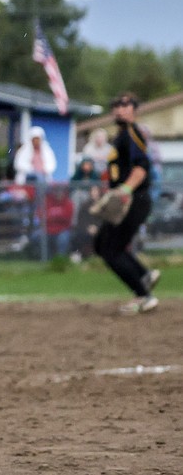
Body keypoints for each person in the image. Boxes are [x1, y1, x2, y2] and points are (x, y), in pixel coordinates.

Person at [95, 93, 159, 314]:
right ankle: (144, 276)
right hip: (126, 199)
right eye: (115, 105)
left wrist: (125, 189)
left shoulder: (133, 132)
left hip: (133, 199)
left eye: (124, 104)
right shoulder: (121, 136)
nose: (119, 109)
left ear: (134, 109)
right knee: (101, 242)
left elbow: (141, 166)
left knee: (111, 250)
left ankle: (143, 294)